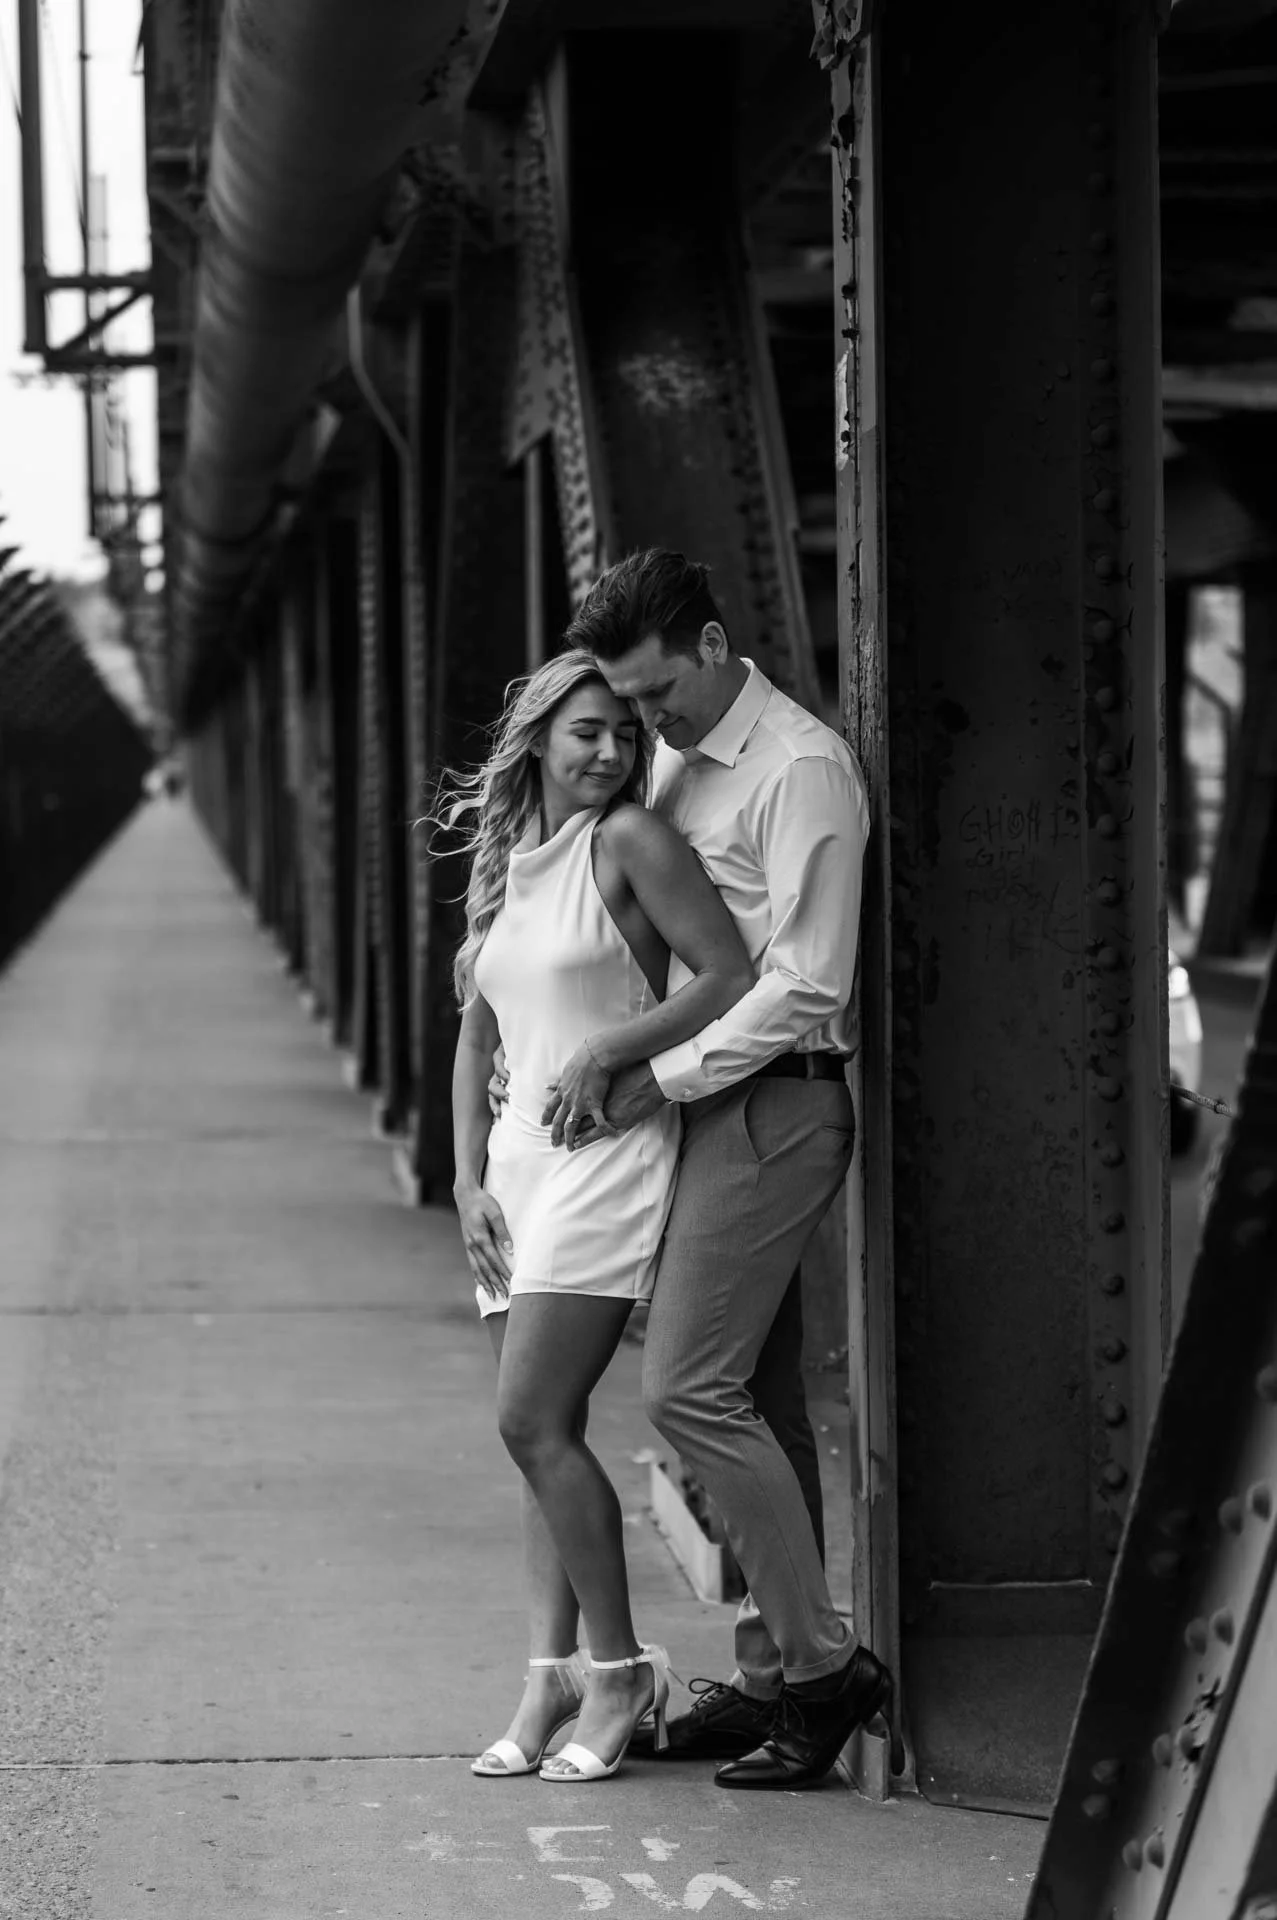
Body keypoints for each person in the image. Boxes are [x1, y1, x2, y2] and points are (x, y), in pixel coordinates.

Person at [547, 548, 892, 1790]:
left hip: (773, 1107)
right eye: (627, 708)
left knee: (687, 1391)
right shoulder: (686, 755)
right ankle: (764, 1681)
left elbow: (809, 979)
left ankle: (821, 1670)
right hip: (713, 1108)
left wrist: (670, 1076)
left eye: (658, 697)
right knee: (764, 1401)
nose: (646, 725)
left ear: (711, 644)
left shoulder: (797, 768)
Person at [444, 647, 754, 1784]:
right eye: (588, 731)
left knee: (528, 1420)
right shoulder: (510, 864)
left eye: (626, 733)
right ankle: (546, 1675)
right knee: (543, 1443)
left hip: (603, 1156)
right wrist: (468, 1181)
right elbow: (476, 1033)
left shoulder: (627, 842)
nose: (613, 752)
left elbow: (723, 972)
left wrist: (614, 1046)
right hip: (514, 1171)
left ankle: (618, 1669)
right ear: (537, 737)